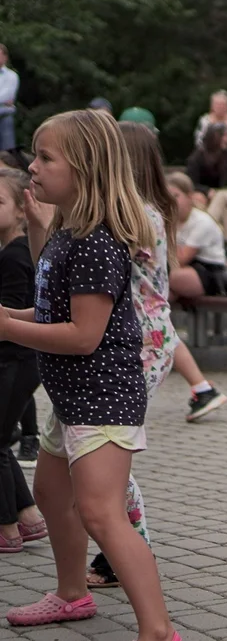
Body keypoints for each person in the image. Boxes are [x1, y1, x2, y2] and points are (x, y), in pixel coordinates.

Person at [3, 109, 180, 641]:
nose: (31, 167)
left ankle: (158, 629)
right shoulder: (66, 230)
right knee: (52, 494)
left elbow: (83, 334)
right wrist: (11, 316)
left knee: (102, 514)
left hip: (102, 399)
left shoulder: (97, 242)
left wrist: (7, 330)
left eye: (45, 157)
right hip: (72, 396)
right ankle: (72, 593)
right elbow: (50, 304)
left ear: (84, 169)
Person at [0, 167, 47, 553]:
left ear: (20, 210)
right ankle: (28, 517)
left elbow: (13, 312)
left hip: (14, 360)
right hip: (15, 359)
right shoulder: (9, 251)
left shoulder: (16, 256)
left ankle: (6, 528)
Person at [163, 173, 227, 419]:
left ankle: (201, 387)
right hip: (180, 271)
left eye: (177, 196)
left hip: (208, 274)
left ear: (191, 198)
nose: (172, 202)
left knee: (168, 280)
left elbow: (179, 259)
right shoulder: (167, 220)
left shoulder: (201, 222)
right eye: (167, 196)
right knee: (162, 289)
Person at [184, 124, 227, 206]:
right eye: (222, 136)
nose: (225, 139)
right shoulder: (197, 158)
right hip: (203, 195)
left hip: (225, 195)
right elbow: (191, 183)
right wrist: (207, 191)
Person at [0, 44, 18, 153]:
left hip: (5, 116)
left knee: (9, 152)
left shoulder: (12, 75)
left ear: (5, 57)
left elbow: (7, 95)